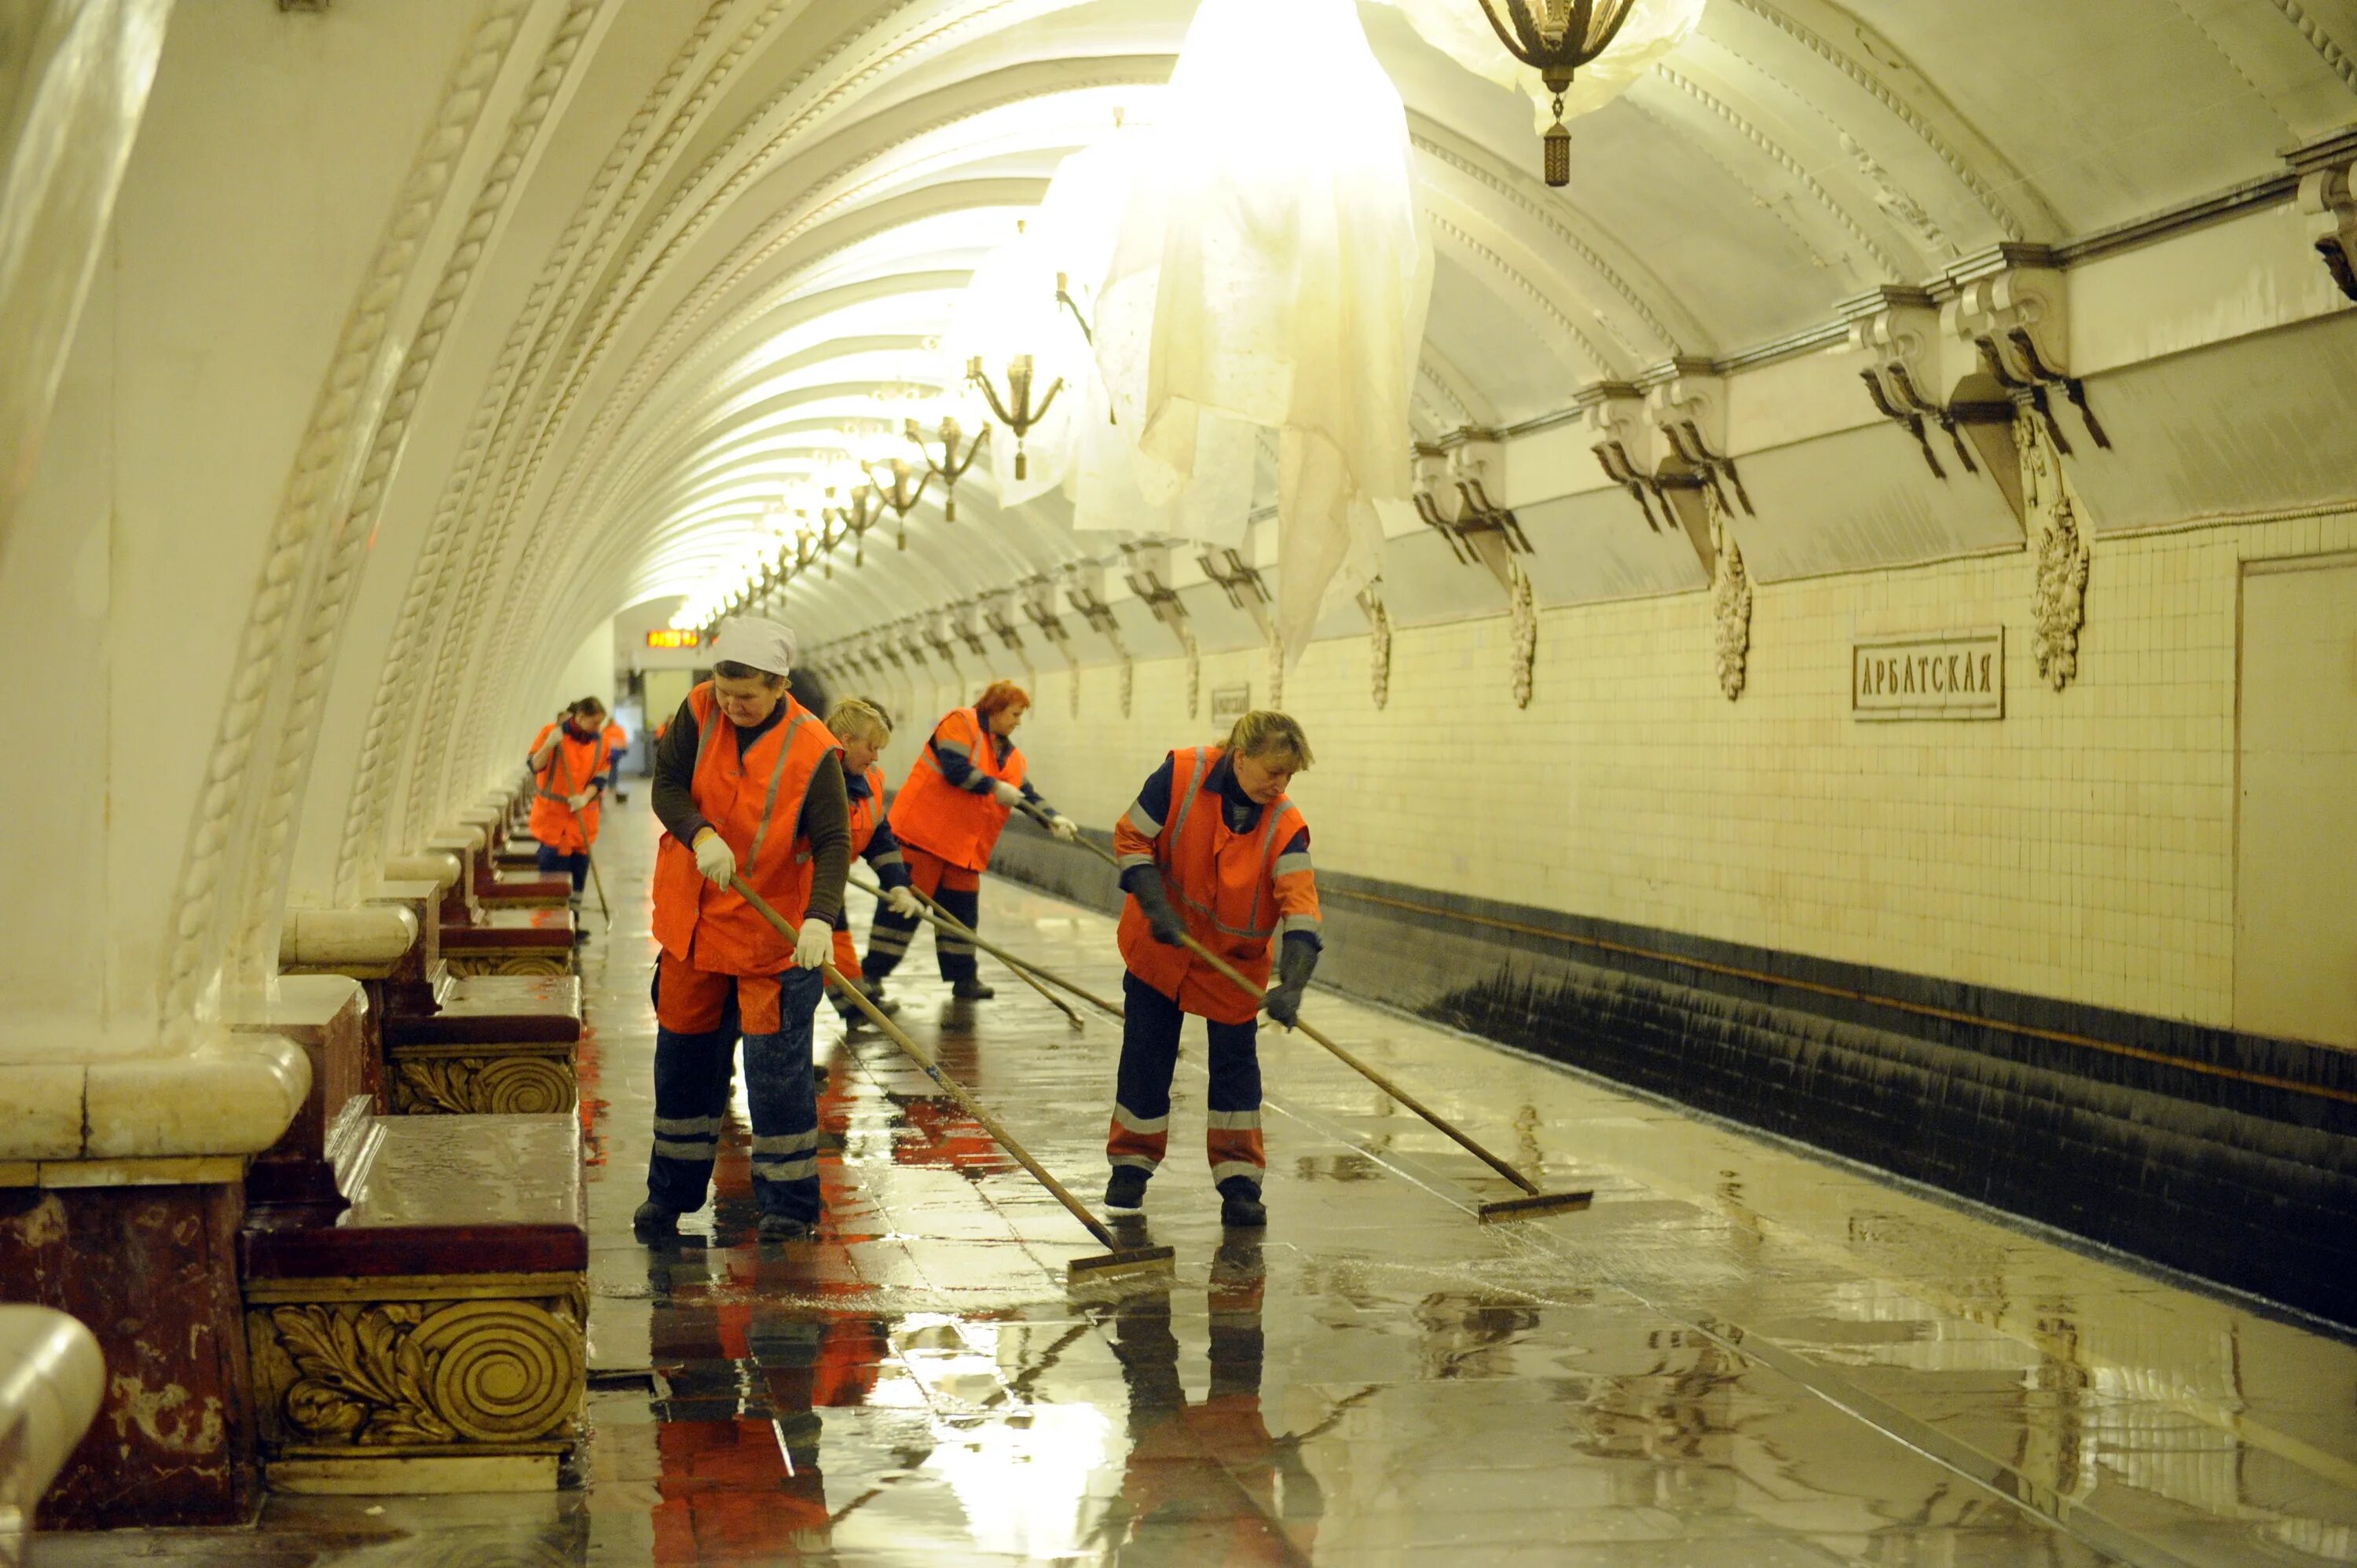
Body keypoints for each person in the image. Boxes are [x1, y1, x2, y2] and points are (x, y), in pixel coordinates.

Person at [636, 617, 850, 1244]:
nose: (732, 707)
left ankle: (788, 1204)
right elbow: (668, 785)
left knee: (777, 1076)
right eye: (724, 692)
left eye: (747, 697)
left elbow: (833, 841)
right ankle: (668, 1197)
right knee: (682, 1071)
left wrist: (820, 919)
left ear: (779, 685)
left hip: (769, 940)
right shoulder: (699, 711)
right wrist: (699, 834)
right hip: (693, 931)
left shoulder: (814, 749)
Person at [1103, 711, 1320, 1228]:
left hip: (1231, 966)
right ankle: (1130, 1171)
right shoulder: (1179, 775)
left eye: (1288, 776)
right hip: (1161, 950)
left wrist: (1293, 981)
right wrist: (1154, 901)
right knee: (1146, 1058)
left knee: (1236, 1075)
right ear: (1239, 758)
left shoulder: (1285, 826)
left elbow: (1302, 910)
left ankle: (1240, 1184)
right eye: (1272, 772)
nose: (1280, 785)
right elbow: (1132, 837)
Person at [864, 680, 1076, 1001]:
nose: (1019, 721)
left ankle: (964, 979)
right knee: (901, 912)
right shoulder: (960, 723)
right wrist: (994, 787)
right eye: (1015, 714)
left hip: (964, 851)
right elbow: (954, 768)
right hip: (923, 838)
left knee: (962, 917)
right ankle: (871, 975)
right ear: (996, 708)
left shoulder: (1012, 757)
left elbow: (1025, 794)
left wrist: (1051, 819)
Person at [820, 696, 922, 1024]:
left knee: (834, 943)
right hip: (797, 887)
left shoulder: (871, 781)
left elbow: (879, 838)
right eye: (872, 748)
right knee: (802, 965)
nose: (876, 758)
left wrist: (898, 885)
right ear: (847, 741)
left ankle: (854, 1005)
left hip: (827, 885)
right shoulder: (813, 778)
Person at [525, 697, 611, 921]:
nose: (598, 728)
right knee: (554, 884)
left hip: (583, 826)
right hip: (553, 827)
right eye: (594, 723)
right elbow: (534, 765)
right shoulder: (552, 734)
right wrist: (548, 745)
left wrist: (585, 797)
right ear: (580, 717)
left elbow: (601, 777)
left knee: (578, 883)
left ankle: (573, 925)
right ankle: (549, 931)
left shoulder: (601, 743)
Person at [603, 713, 631, 804]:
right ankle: (613, 785)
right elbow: (624, 739)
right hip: (617, 753)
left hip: (609, 753)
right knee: (614, 769)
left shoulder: (605, 729)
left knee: (610, 769)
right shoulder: (620, 729)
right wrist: (625, 750)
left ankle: (610, 785)